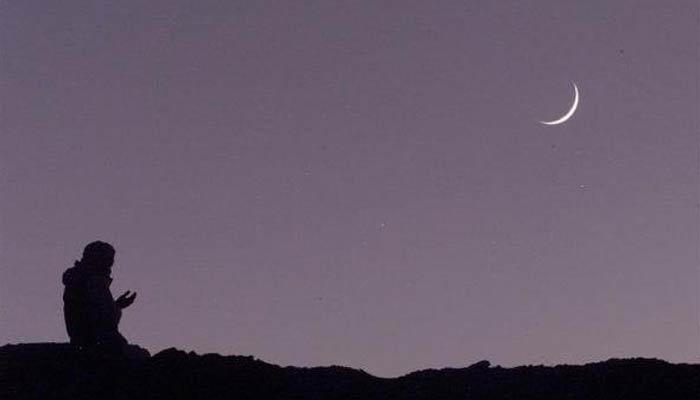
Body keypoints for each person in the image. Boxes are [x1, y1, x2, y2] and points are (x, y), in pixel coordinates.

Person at [62, 241, 140, 357]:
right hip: (96, 346)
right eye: (108, 259)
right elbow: (103, 321)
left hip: (89, 343)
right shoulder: (92, 282)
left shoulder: (82, 280)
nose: (111, 263)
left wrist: (117, 305)